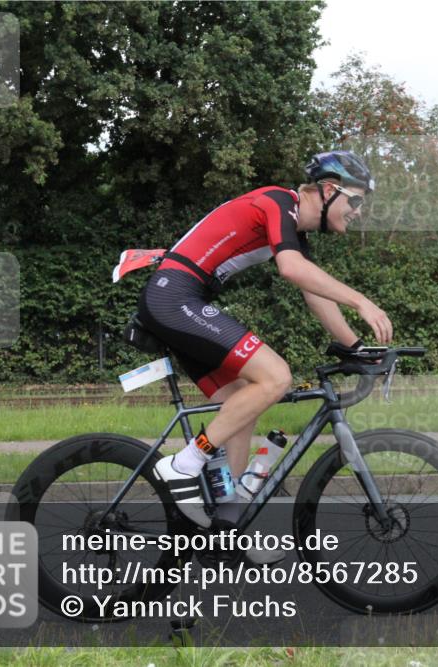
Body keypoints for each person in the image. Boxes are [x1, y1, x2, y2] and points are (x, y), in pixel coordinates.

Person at [140, 151, 393, 546]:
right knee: (276, 376)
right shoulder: (279, 203)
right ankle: (184, 464)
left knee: (243, 404)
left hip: (181, 298)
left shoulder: (294, 229)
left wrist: (357, 348)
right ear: (329, 190)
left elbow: (314, 291)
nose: (358, 212)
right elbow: (291, 269)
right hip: (175, 296)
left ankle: (223, 530)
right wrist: (361, 301)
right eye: (356, 201)